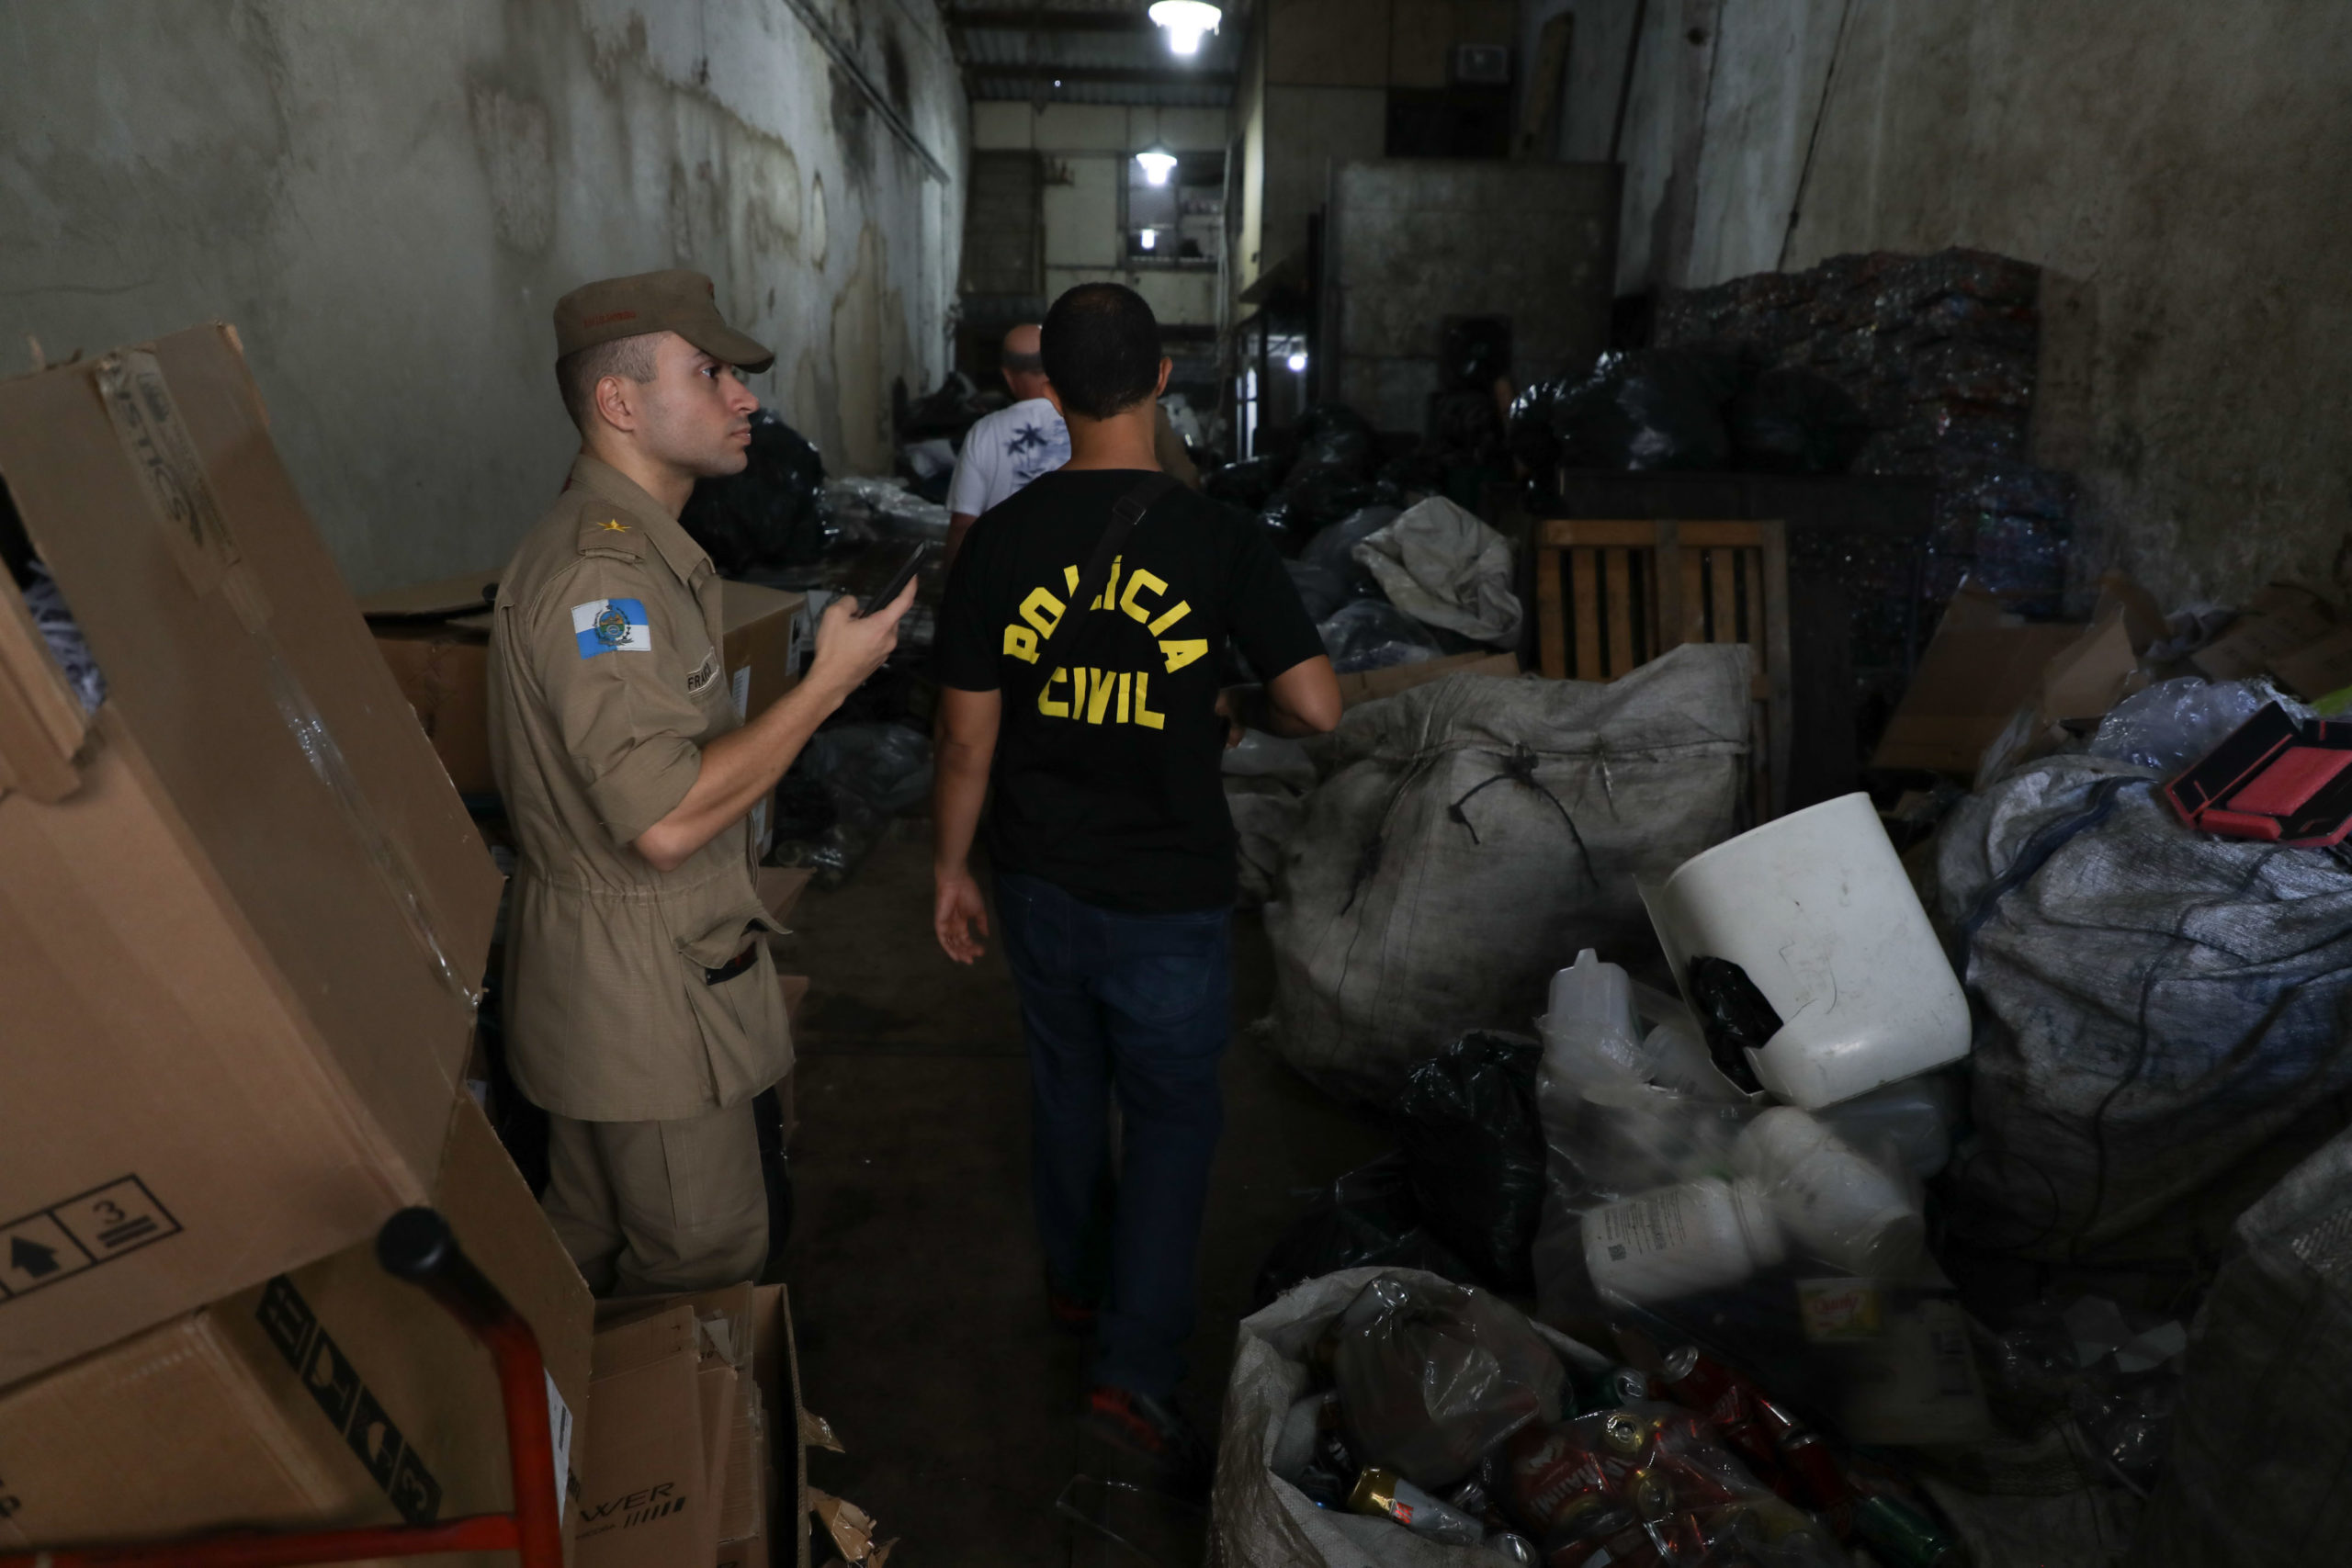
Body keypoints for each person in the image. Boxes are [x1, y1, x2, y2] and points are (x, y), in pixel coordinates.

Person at [929, 282, 1341, 1478]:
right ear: (1163, 379)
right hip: (1169, 888)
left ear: (1049, 391)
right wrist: (1235, 697)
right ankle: (1134, 1372)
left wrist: (951, 868)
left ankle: (1075, 1284)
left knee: (1066, 1084)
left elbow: (963, 739)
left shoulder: (998, 542)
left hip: (1038, 875)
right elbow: (1316, 707)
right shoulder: (1217, 537)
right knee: (1170, 1118)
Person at [487, 268, 913, 1295]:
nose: (744, 399)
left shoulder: (638, 554)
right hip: (644, 1003)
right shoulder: (605, 579)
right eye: (708, 373)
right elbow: (668, 821)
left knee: (586, 1255)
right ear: (619, 402)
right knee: (699, 1269)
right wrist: (828, 684)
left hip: (608, 985)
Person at [947, 323, 1199, 565]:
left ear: (1007, 375)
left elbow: (962, 525)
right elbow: (1183, 481)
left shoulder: (984, 432)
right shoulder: (1096, 419)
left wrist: (954, 584)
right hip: (1095, 569)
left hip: (1009, 572)